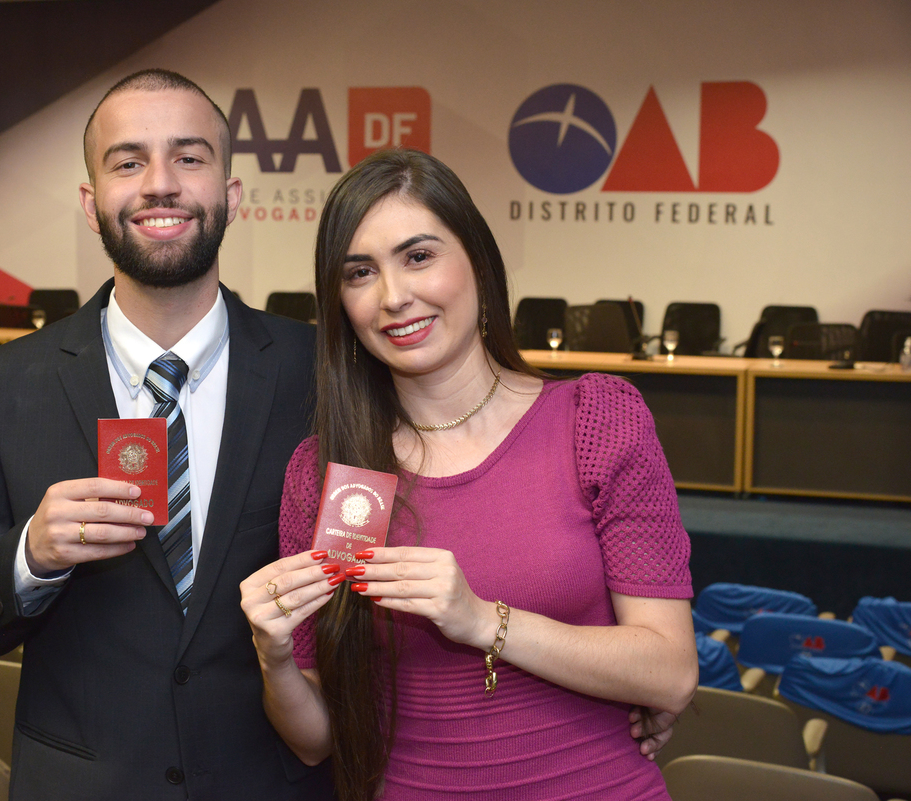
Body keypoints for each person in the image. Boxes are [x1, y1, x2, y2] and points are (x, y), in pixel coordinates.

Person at [241, 150, 697, 801]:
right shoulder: (326, 473)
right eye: (361, 272)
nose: (394, 296)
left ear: (478, 262)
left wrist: (484, 621)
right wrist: (274, 654)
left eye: (419, 256)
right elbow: (314, 738)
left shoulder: (593, 420)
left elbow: (672, 673)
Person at [0, 69, 327, 799]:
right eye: (129, 161)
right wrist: (32, 555)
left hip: (271, 778)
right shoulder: (0, 385)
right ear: (91, 202)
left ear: (231, 196)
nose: (160, 184)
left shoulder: (317, 371)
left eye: (190, 157)